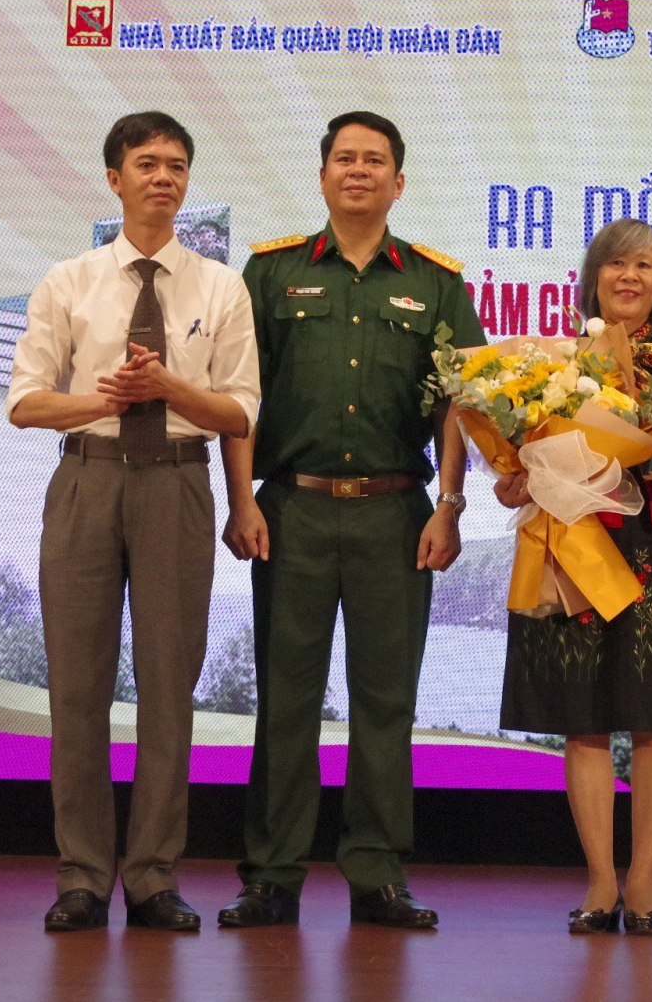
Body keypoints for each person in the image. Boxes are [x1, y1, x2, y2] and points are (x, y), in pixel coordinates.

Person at [218, 111, 484, 930]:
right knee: (285, 698)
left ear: (399, 182)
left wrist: (449, 503)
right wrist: (241, 499)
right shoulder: (270, 272)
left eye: (375, 161)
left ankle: (377, 872)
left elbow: (460, 404)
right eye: (344, 158)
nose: (359, 171)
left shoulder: (437, 282)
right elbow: (238, 397)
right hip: (290, 510)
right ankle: (271, 872)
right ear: (323, 173)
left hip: (397, 515)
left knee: (385, 702)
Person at [6, 111, 260, 933]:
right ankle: (80, 874)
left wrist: (168, 392)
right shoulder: (68, 279)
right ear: (114, 178)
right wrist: (105, 397)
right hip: (86, 479)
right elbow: (24, 401)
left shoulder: (220, 284)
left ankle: (152, 874)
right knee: (77, 687)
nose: (164, 177)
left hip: (178, 487)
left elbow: (238, 409)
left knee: (167, 690)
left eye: (177, 165)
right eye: (147, 163)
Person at [493, 218, 652, 936]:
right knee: (582, 718)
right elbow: (515, 474)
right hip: (574, 548)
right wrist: (515, 478)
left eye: (645, 267)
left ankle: (645, 878)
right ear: (592, 276)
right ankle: (600, 881)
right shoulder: (551, 367)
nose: (630, 277)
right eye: (616, 264)